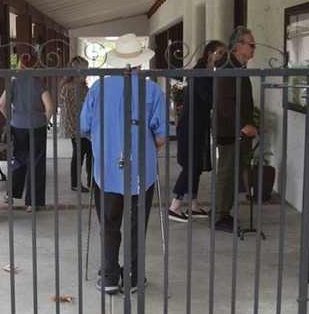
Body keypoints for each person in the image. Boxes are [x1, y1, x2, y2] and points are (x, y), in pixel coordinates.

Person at [80, 33, 167, 294]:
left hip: (107, 169)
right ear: (139, 62)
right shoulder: (152, 90)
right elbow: (161, 136)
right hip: (141, 170)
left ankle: (109, 277)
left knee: (109, 224)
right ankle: (133, 277)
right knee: (136, 225)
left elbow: (84, 128)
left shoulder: (98, 88)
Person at [167, 40, 226, 222]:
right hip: (190, 124)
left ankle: (193, 205)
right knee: (190, 165)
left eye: (224, 53)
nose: (221, 56)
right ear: (209, 53)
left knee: (197, 166)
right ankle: (174, 206)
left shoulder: (209, 71)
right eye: (219, 53)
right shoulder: (200, 71)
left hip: (199, 124)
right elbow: (207, 97)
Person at [213, 26, 259, 233]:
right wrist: (242, 124)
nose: (254, 48)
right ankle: (219, 215)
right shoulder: (229, 67)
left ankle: (223, 211)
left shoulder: (237, 66)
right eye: (251, 44)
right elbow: (224, 101)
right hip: (229, 130)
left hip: (235, 130)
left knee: (233, 173)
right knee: (227, 174)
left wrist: (251, 123)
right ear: (239, 46)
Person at [0, 53, 53, 213]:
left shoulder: (13, 83)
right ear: (36, 66)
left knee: (19, 159)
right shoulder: (39, 84)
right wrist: (46, 121)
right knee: (36, 163)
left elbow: (1, 104)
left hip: (18, 127)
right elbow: (49, 107)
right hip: (37, 126)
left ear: (20, 65)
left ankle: (10, 194)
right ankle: (32, 203)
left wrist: (11, 118)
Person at [59, 56, 93, 192]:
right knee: (81, 154)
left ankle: (89, 182)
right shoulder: (70, 88)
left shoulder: (81, 86)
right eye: (85, 69)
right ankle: (79, 183)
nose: (87, 72)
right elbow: (70, 112)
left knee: (86, 153)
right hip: (77, 128)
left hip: (83, 127)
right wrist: (80, 130)